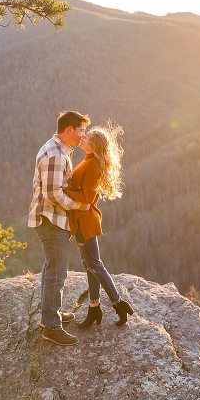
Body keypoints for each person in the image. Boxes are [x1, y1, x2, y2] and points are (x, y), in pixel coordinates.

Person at [29, 111, 92, 346]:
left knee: (51, 268)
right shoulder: (55, 154)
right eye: (81, 130)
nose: (82, 135)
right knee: (57, 272)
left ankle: (50, 316)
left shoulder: (57, 149)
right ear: (69, 130)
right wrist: (79, 205)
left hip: (50, 218)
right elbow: (53, 193)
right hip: (51, 219)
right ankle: (52, 327)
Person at [65, 121, 135, 327]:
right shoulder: (88, 160)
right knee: (90, 266)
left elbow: (86, 198)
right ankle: (94, 308)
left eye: (87, 137)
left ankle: (118, 303)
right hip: (80, 220)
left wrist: (62, 190)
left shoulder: (94, 164)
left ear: (93, 146)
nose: (83, 137)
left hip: (85, 221)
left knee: (95, 264)